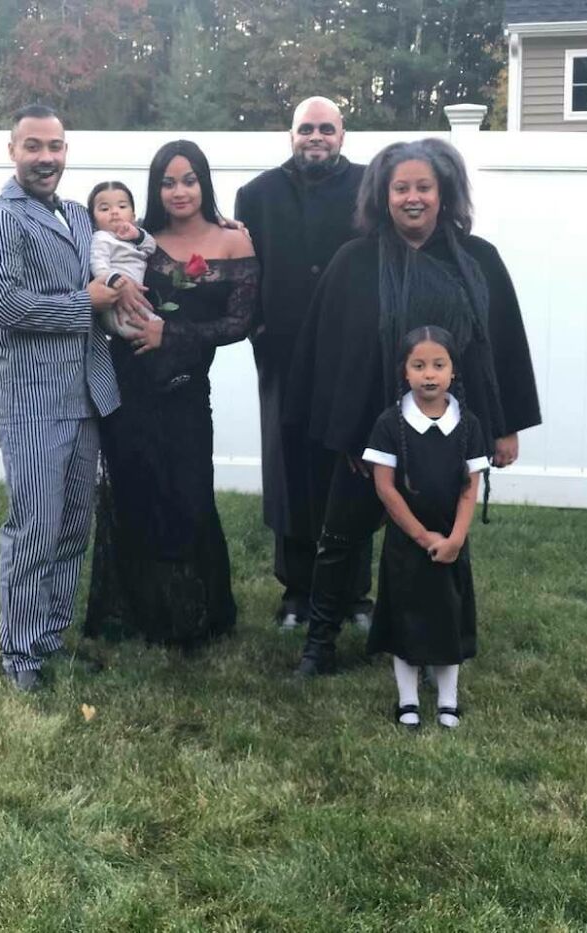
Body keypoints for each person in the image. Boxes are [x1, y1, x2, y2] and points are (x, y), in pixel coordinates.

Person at [286, 137, 541, 676]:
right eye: (401, 188)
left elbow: (502, 348)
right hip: (371, 434)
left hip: (448, 435)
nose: (413, 197)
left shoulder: (479, 261)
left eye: (424, 187)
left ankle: (432, 643)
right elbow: (331, 356)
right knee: (339, 538)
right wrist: (350, 434)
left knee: (440, 541)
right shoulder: (354, 262)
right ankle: (320, 643)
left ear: (443, 193)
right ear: (384, 196)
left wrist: (504, 428)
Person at [0, 105, 147, 692]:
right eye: (34, 146)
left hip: (85, 396)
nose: (46, 158)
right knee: (34, 528)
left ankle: (49, 638)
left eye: (56, 147)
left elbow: (125, 247)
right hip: (31, 403)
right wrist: (85, 302)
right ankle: (20, 656)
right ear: (13, 151)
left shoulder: (76, 214)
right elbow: (7, 307)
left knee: (72, 526)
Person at [84, 140, 259, 646]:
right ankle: (140, 612)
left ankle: (196, 613)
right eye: (167, 182)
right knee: (134, 490)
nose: (179, 191)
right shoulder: (139, 236)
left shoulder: (234, 241)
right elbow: (94, 251)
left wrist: (173, 334)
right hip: (128, 385)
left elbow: (240, 323)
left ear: (204, 183)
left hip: (185, 390)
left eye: (188, 180)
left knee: (190, 493)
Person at [235, 96, 373, 631]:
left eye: (326, 129)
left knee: (351, 466)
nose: (316, 137)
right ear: (290, 134)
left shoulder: (370, 186)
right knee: (288, 469)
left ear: (342, 135)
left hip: (350, 354)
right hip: (284, 354)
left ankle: (353, 592)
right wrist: (258, 329)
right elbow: (243, 271)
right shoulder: (257, 195)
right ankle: (296, 590)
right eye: (306, 129)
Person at [363, 326, 489, 730]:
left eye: (438, 364)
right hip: (407, 544)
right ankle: (408, 700)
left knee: (448, 616)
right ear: (405, 371)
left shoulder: (468, 424)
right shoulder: (389, 423)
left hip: (451, 542)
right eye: (419, 366)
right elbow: (385, 488)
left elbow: (470, 489)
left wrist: (455, 539)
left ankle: (448, 700)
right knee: (406, 617)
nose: (429, 374)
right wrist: (421, 535)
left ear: (453, 370)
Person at [88, 180, 157, 338]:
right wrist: (115, 279)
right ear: (94, 220)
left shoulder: (133, 237)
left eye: (122, 206)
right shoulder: (101, 238)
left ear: (133, 216)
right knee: (149, 328)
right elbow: (98, 264)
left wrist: (137, 235)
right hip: (117, 304)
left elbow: (151, 247)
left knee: (153, 325)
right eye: (105, 209)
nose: (114, 212)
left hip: (136, 299)